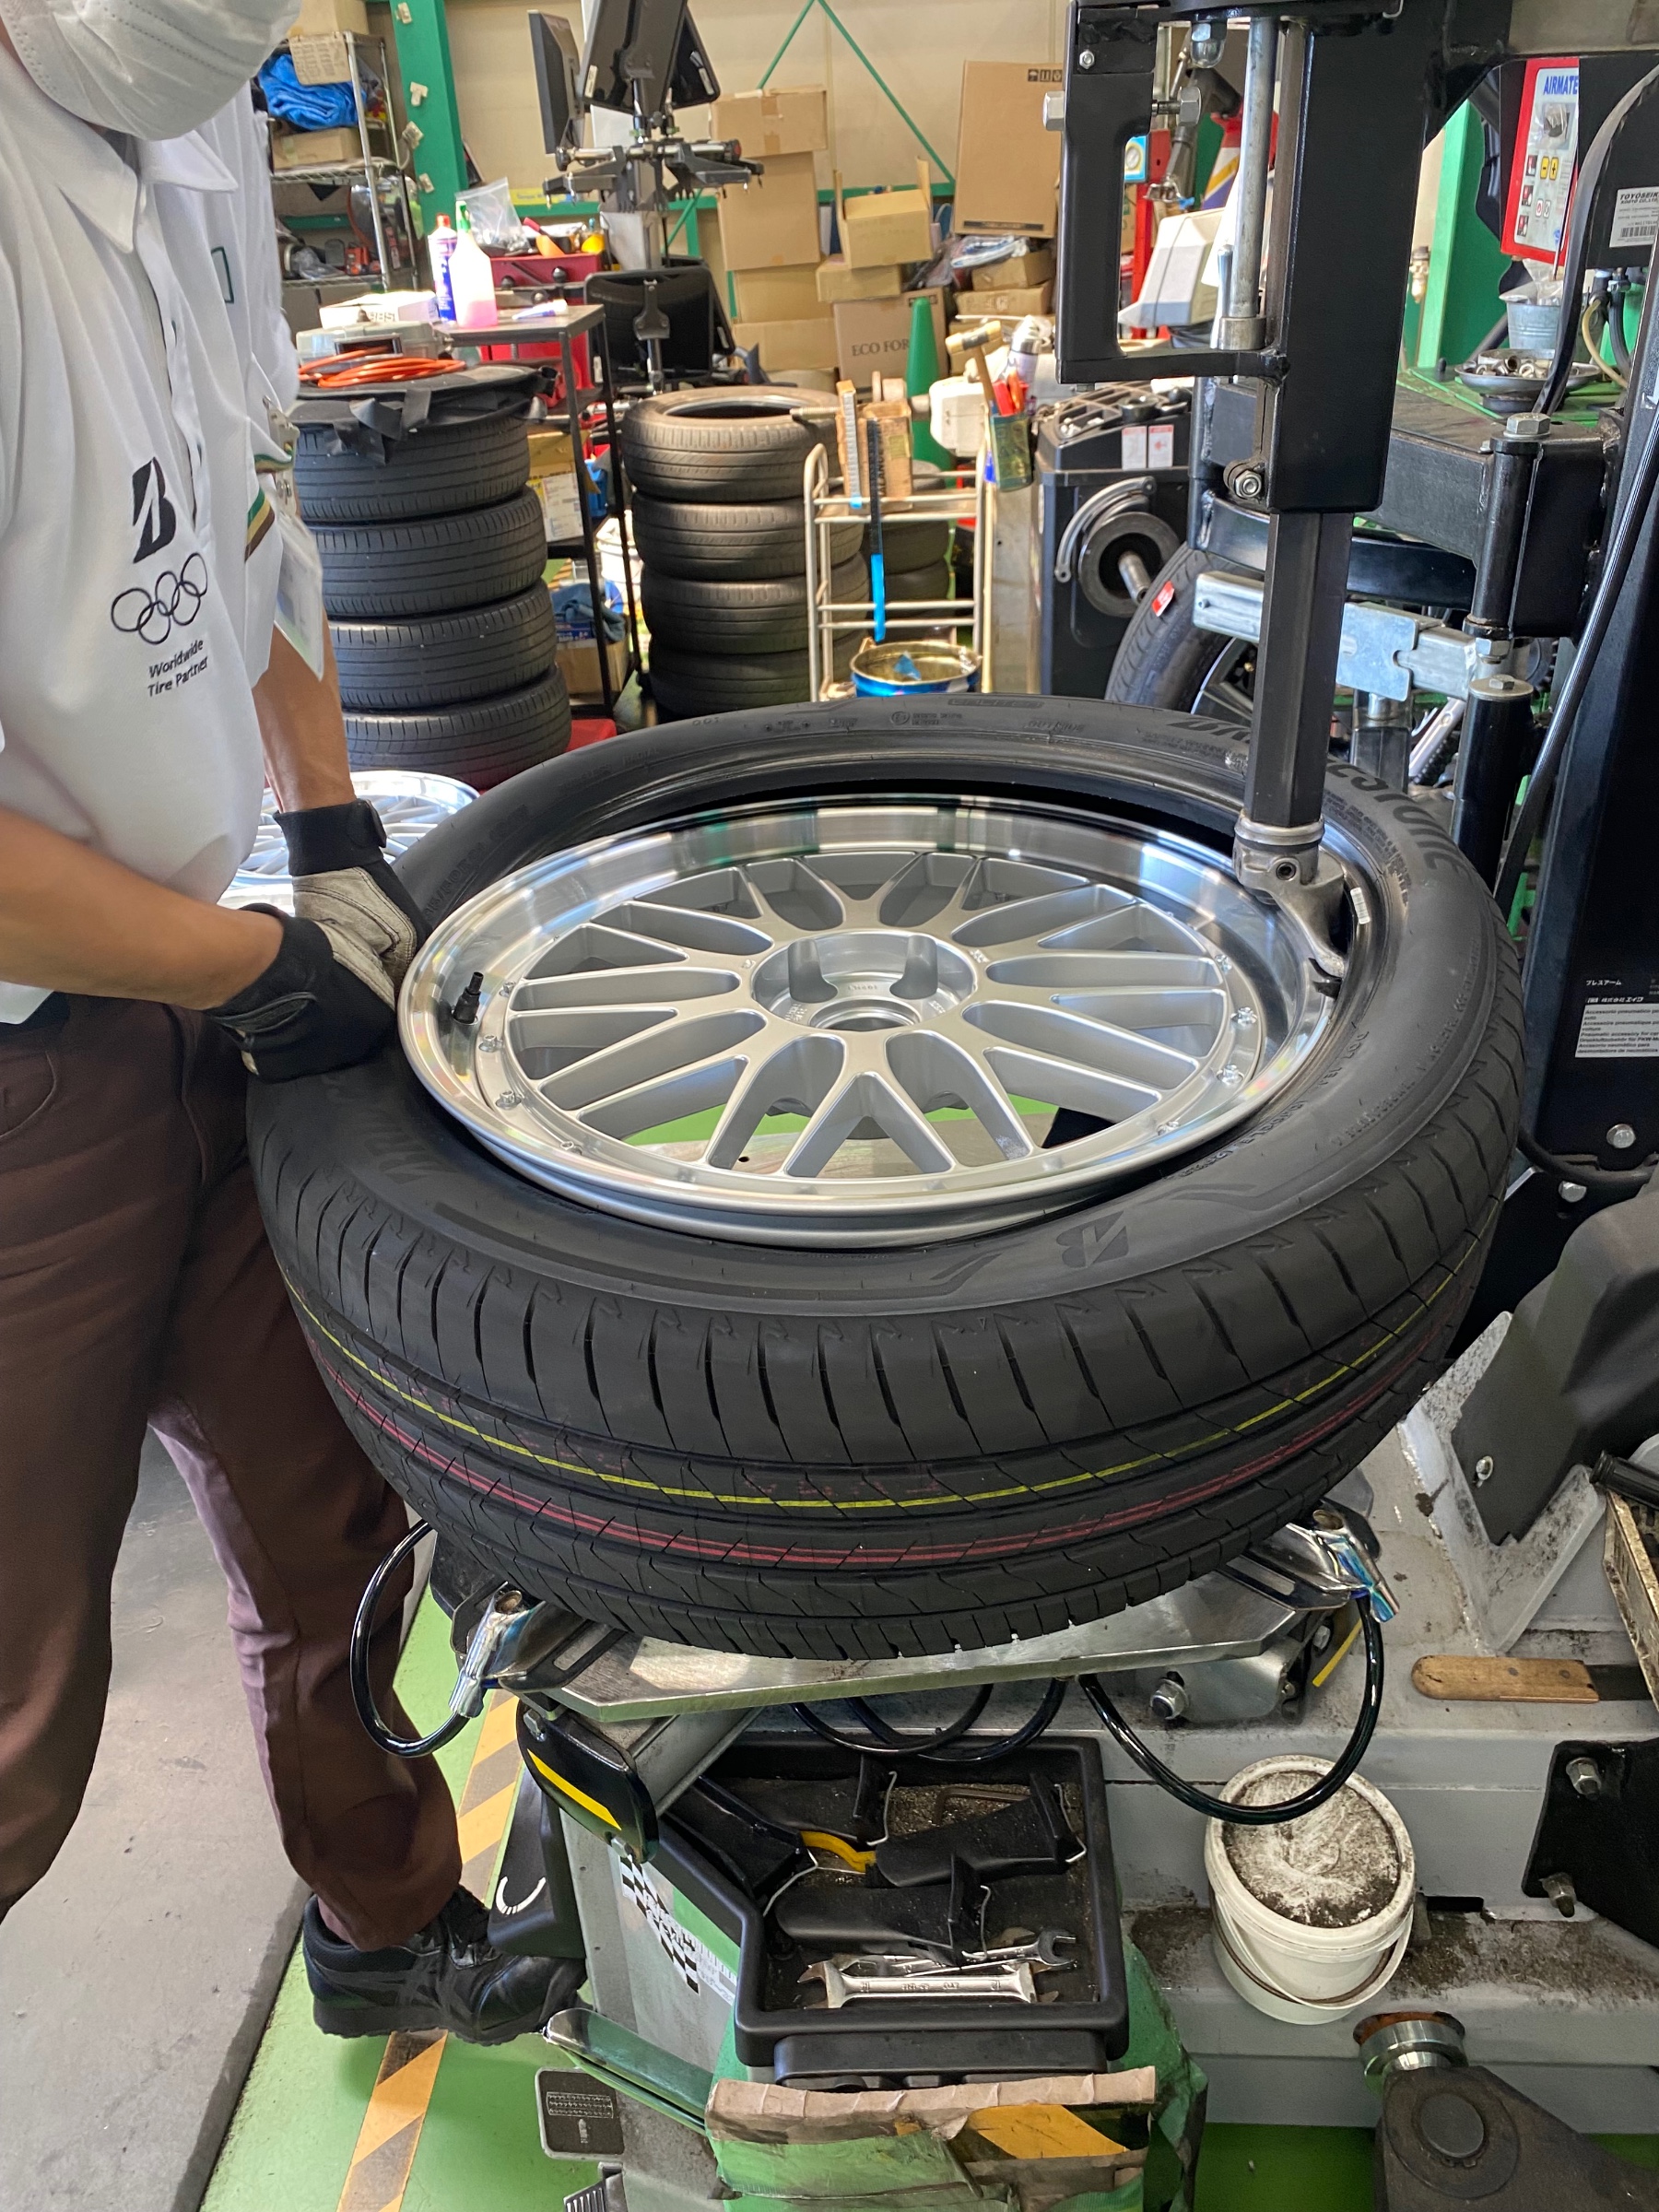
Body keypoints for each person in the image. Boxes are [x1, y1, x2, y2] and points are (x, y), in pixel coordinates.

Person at [0, 0, 573, 2043]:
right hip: (26, 1059)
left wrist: (327, 835)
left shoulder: (197, 124)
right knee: (16, 1700)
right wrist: (249, 963)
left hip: (194, 958)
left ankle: (383, 1920)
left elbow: (251, 515)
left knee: (327, 1518)